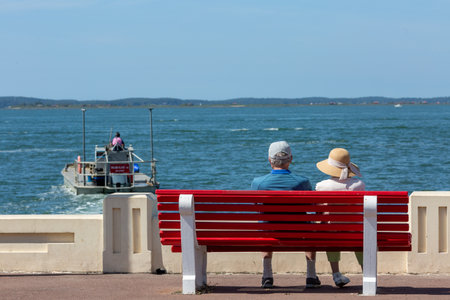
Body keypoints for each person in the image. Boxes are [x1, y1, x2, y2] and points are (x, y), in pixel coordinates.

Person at [251, 141, 321, 289]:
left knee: (264, 225)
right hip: (298, 232)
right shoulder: (302, 182)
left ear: (269, 160)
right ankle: (311, 276)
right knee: (311, 227)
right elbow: (312, 207)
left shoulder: (258, 183)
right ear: (290, 159)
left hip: (270, 232)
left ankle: (267, 276)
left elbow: (256, 208)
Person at [315, 148, 365, 287]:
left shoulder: (322, 186)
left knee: (330, 229)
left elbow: (318, 212)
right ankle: (366, 273)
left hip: (332, 234)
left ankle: (336, 274)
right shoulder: (359, 185)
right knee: (359, 235)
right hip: (355, 233)